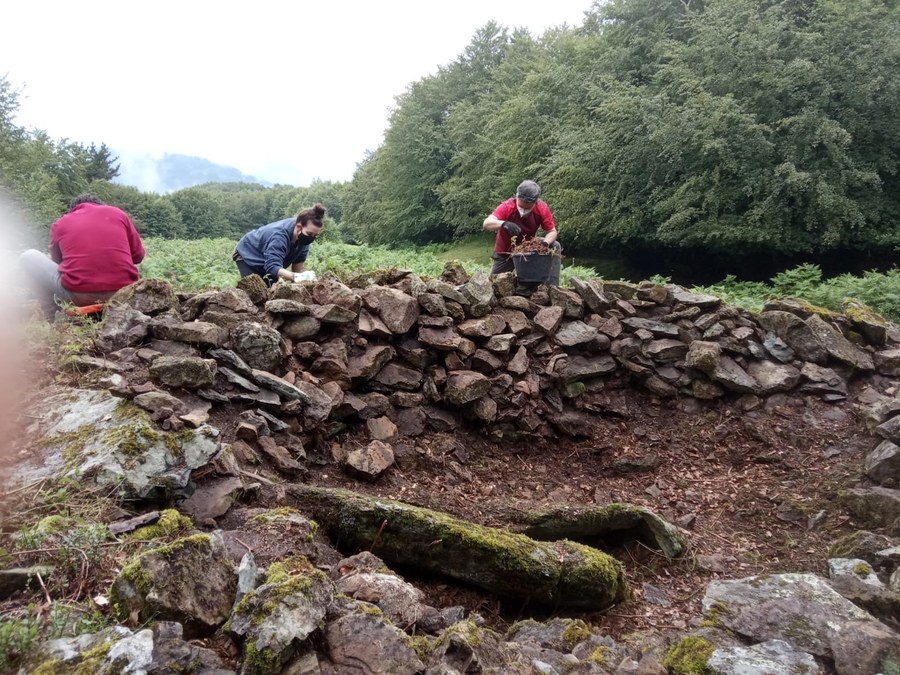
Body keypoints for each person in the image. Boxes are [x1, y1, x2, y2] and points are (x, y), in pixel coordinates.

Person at [19, 194, 145, 318]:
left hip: (80, 296)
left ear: (74, 209)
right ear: (100, 205)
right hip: (124, 294)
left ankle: (51, 315)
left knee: (28, 256)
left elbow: (58, 263)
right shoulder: (119, 214)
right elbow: (138, 256)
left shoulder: (61, 223)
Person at [482, 180, 562, 286]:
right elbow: (487, 223)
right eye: (521, 206)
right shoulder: (508, 206)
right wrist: (504, 224)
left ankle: (551, 286)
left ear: (535, 202)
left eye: (527, 207)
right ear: (517, 197)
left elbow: (552, 231)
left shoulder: (541, 208)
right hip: (506, 251)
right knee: (495, 284)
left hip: (529, 251)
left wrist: (544, 244)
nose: (523, 210)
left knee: (555, 245)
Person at [233, 203, 325, 286]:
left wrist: (301, 279)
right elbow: (272, 267)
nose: (311, 238)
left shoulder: (304, 238)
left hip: (267, 260)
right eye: (309, 234)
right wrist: (296, 277)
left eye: (315, 235)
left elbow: (298, 266)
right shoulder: (280, 236)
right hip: (248, 254)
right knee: (256, 290)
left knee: (275, 289)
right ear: (298, 227)